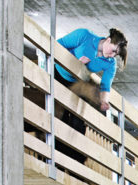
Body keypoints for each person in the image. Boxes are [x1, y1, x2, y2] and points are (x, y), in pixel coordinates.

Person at [54, 28, 128, 163]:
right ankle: (58, 156)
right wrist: (74, 61)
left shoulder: (110, 64)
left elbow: (106, 86)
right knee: (61, 116)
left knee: (78, 120)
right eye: (113, 51)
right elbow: (57, 45)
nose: (112, 56)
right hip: (58, 73)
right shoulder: (84, 36)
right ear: (108, 40)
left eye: (115, 54)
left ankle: (77, 160)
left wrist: (104, 101)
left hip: (75, 82)